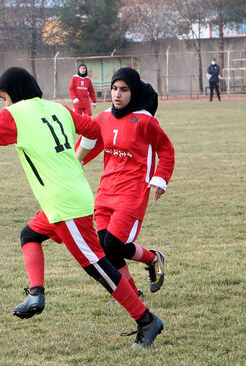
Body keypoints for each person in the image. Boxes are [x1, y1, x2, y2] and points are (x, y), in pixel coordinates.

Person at [0, 67, 164, 348]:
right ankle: (36, 293)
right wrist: (75, 157)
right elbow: (95, 129)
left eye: (4, 98)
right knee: (30, 236)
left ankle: (146, 320)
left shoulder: (17, 113)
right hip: (69, 196)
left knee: (98, 267)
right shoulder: (56, 108)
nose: (5, 104)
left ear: (13, 93)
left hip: (65, 204)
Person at [75, 67, 175, 299]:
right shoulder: (102, 118)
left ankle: (152, 260)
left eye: (124, 89)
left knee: (113, 245)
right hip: (106, 191)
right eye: (114, 89)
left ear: (134, 92)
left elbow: (166, 151)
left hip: (132, 193)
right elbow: (90, 146)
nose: (117, 94)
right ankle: (133, 293)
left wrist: (160, 179)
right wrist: (73, 163)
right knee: (104, 248)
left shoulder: (145, 122)